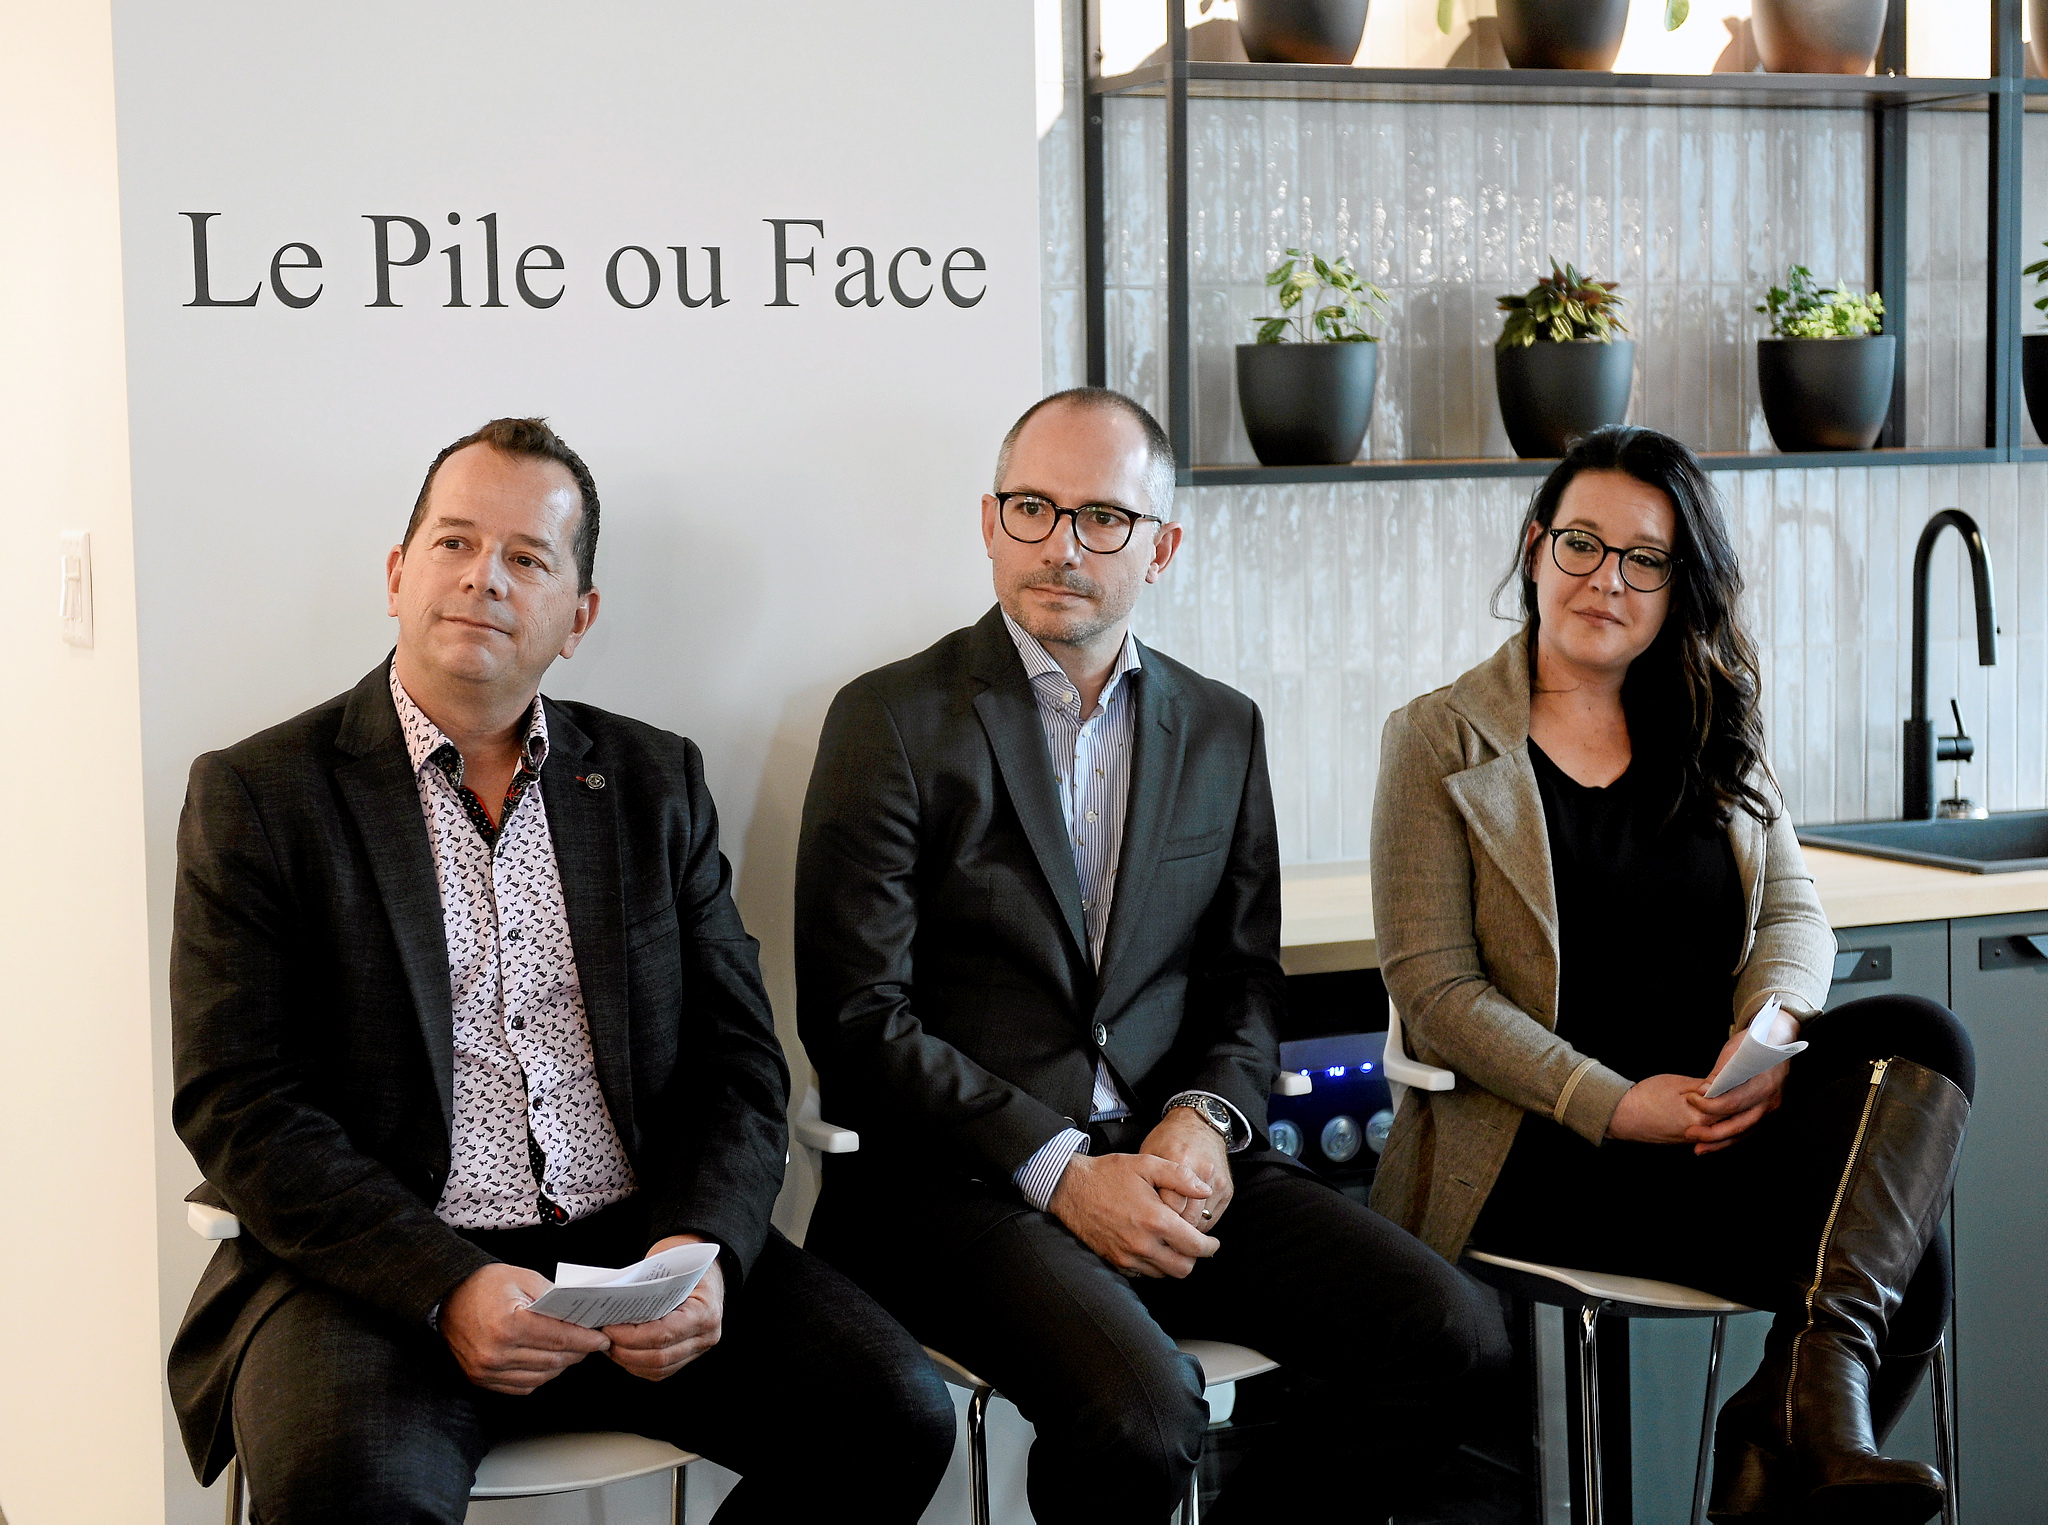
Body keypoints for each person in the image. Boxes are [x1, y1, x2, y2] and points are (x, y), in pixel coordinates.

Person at [167, 417, 955, 1524]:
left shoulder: (652, 781)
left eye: (528, 558)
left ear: (578, 617)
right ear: (397, 575)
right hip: (377, 1273)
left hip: (634, 1254)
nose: (483, 577)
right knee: (351, 1490)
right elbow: (239, 1100)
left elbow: (737, 1059)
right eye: (454, 542)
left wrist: (702, 1249)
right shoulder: (261, 794)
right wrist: (444, 1283)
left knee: (892, 1414)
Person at [795, 386, 1507, 1525]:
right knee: (1141, 1412)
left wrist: (1206, 1117)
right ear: (989, 522)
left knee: (1452, 1334)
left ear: (1161, 547)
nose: (1060, 545)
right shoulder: (890, 719)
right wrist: (1062, 1174)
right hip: (956, 1185)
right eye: (1032, 508)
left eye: (1102, 517)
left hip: (1168, 1158)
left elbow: (1243, 978)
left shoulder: (1220, 726)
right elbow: (856, 1017)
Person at [1369, 425, 1973, 1525]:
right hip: (1544, 1150)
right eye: (1582, 544)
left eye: (1643, 558)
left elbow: (1792, 910)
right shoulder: (1439, 740)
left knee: (1924, 1035)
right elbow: (1436, 994)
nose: (1607, 579)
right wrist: (1614, 1103)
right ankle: (1778, 1435)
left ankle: (1785, 1420)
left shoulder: (1710, 719)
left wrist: (1770, 1031)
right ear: (1535, 546)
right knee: (1911, 1266)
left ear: (1675, 583)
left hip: (1716, 1118)